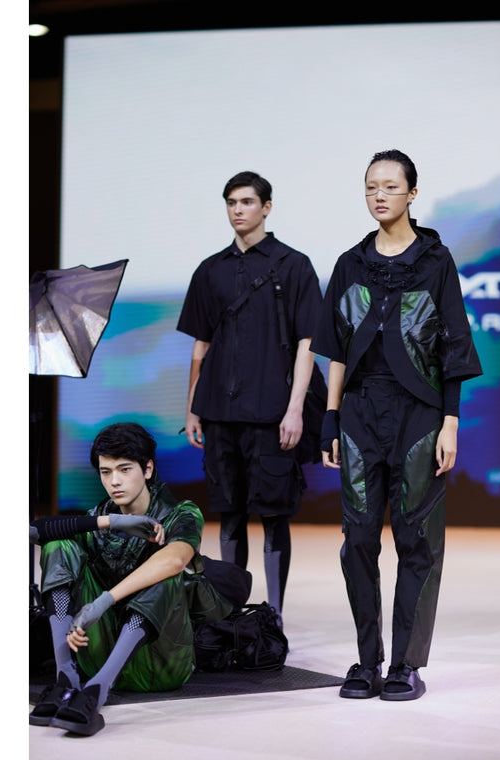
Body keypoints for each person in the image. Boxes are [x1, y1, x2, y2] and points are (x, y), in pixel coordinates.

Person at [311, 149, 483, 702]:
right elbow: (336, 351)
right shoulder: (349, 264)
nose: (379, 195)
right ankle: (367, 661)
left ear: (412, 193)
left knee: (416, 539)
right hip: (359, 415)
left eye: (389, 186)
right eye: (370, 187)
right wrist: (330, 419)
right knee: (358, 539)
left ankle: (406, 664)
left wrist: (450, 424)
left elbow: (453, 346)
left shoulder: (436, 261)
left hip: (420, 416)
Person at [29, 422, 245, 736]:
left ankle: (96, 693)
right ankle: (67, 680)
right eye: (105, 472)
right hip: (97, 652)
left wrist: (101, 603)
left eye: (124, 469)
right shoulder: (101, 515)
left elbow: (175, 560)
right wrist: (113, 521)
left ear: (148, 469)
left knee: (165, 572)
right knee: (58, 545)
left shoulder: (181, 513)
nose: (114, 481)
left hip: (161, 664)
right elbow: (31, 532)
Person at [177, 171, 322, 624]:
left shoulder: (293, 265)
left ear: (266, 207)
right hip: (219, 412)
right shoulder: (210, 270)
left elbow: (308, 342)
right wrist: (192, 408)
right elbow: (201, 344)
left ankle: (274, 616)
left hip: (272, 413)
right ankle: (230, 614)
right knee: (229, 514)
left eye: (246, 201)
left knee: (274, 515)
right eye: (231, 202)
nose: (238, 210)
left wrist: (295, 409)